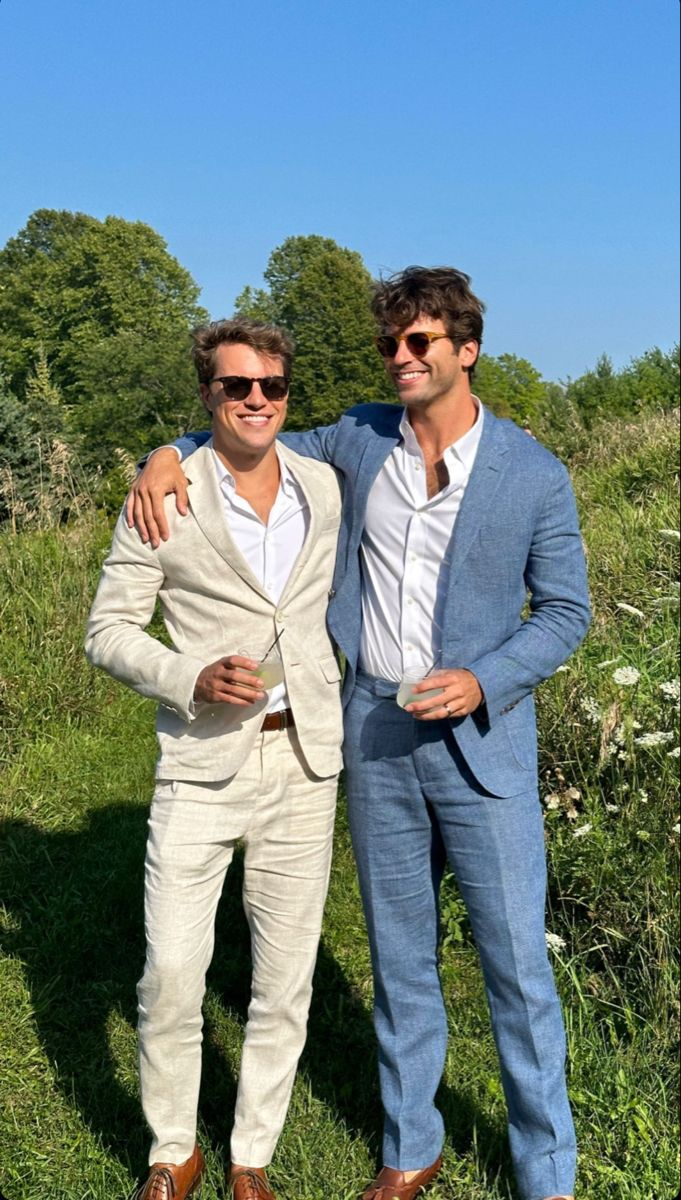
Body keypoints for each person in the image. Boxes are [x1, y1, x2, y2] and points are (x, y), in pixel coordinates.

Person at [128, 267, 590, 1200]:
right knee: (399, 956)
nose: (400, 359)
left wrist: (484, 678)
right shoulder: (360, 438)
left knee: (513, 970)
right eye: (389, 344)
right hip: (372, 731)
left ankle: (546, 1169)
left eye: (419, 342)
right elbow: (248, 432)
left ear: (465, 349)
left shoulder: (532, 474)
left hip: (483, 748)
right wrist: (167, 451)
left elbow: (566, 614)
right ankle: (409, 1145)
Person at [86, 318, 344, 1200]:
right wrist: (187, 674)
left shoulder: (323, 484)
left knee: (284, 975)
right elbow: (107, 631)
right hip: (200, 763)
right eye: (237, 387)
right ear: (209, 393)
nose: (257, 401)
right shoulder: (165, 495)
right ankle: (172, 1149)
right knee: (170, 972)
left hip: (306, 762)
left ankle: (249, 1156)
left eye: (271, 386)